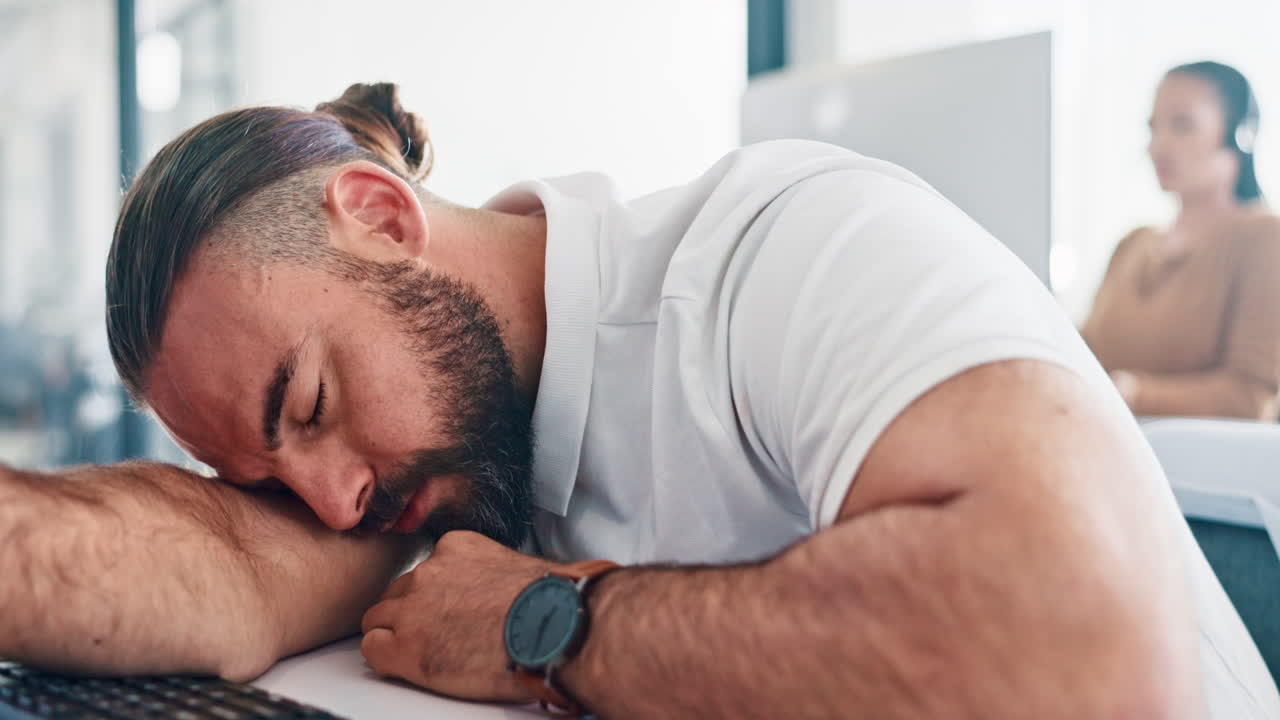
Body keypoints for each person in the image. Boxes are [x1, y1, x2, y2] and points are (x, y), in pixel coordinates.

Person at [0, 82, 1276, 719]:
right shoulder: (440, 459)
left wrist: (555, 625)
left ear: (381, 220)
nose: (328, 501)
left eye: (310, 402)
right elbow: (183, 562)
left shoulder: (786, 248)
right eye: (269, 478)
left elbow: (1082, 657)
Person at [1082, 61, 1280, 420]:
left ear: (1238, 134)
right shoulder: (1133, 244)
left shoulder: (1266, 238)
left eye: (1182, 125)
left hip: (1197, 468)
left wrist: (1134, 392)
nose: (1158, 145)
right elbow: (1084, 353)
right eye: (1153, 127)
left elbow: (1253, 399)